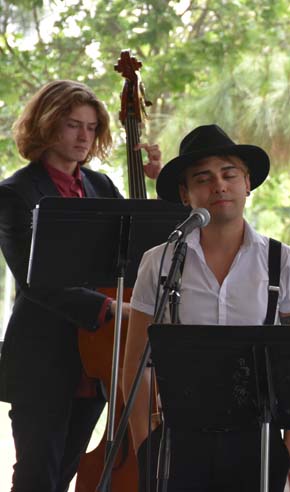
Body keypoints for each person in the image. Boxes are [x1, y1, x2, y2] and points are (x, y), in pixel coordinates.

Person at [122, 124, 290, 491]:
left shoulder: (284, 262)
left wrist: (287, 450)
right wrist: (146, 444)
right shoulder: (158, 262)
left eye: (229, 174)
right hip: (179, 438)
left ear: (247, 183)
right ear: (185, 193)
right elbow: (135, 363)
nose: (219, 186)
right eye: (203, 178)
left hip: (257, 437)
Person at [0, 79, 161, 491]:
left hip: (96, 356)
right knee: (37, 475)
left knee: (69, 468)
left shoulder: (101, 187)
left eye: (91, 127)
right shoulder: (15, 193)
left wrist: (161, 182)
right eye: (73, 125)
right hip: (42, 356)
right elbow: (33, 279)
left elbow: (144, 248)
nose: (83, 136)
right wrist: (108, 308)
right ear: (47, 125)